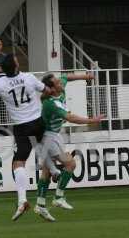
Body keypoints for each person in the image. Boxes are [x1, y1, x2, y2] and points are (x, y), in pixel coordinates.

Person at [0, 54, 53, 221]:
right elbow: (47, 90)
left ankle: (23, 200)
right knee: (46, 155)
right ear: (16, 66)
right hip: (38, 122)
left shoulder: (0, 83)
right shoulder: (29, 78)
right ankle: (51, 180)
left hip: (22, 126)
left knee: (18, 163)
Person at [35, 73, 102, 221]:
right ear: (51, 89)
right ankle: (58, 197)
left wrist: (86, 77)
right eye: (57, 82)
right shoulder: (51, 103)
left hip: (53, 135)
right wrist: (91, 120)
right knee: (71, 163)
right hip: (48, 137)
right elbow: (70, 118)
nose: (61, 82)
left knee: (46, 172)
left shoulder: (60, 89)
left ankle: (40, 205)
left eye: (59, 81)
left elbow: (67, 77)